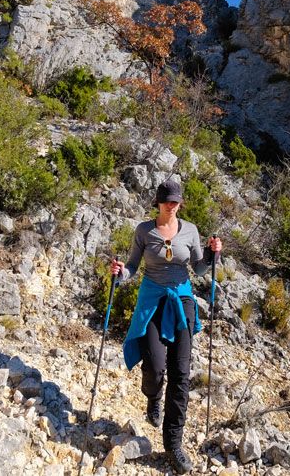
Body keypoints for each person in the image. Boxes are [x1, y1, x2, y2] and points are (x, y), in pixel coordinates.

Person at [110, 178, 222, 474]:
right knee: (156, 367)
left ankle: (173, 445)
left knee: (181, 374)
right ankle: (152, 397)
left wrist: (211, 254)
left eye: (176, 201)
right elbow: (133, 266)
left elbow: (198, 268)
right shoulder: (144, 231)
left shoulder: (191, 231)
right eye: (167, 201)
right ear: (158, 203)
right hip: (152, 300)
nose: (172, 205)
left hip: (182, 300)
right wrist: (121, 274)